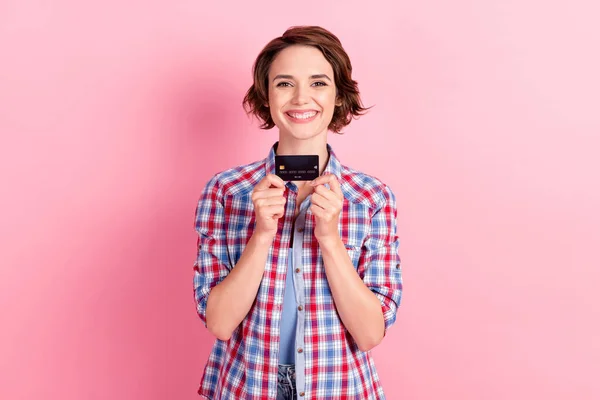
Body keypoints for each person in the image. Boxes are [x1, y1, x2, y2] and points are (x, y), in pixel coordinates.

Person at [193, 25, 403, 400]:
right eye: (285, 83)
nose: (301, 98)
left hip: (338, 388)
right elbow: (220, 324)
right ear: (267, 96)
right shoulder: (228, 191)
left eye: (319, 83)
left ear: (339, 96)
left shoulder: (372, 198)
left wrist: (329, 239)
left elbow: (371, 334)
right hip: (248, 386)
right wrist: (260, 236)